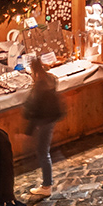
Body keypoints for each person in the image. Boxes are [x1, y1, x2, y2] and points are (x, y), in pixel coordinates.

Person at [24, 61, 65, 197]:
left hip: (43, 122)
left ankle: (47, 185)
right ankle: (47, 183)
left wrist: (28, 132)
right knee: (44, 152)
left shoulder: (39, 87)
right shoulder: (50, 79)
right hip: (50, 120)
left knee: (43, 153)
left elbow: (34, 109)